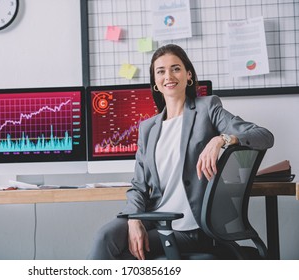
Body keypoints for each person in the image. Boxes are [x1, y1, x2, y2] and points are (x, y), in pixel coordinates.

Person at [87, 44, 274, 260]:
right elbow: (138, 186)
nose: (169, 76)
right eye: (161, 71)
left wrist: (221, 139)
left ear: (188, 75)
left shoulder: (208, 108)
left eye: (175, 68)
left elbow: (263, 135)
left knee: (124, 258)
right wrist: (133, 220)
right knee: (104, 237)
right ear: (155, 82)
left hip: (191, 227)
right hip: (155, 217)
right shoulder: (148, 128)